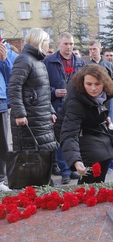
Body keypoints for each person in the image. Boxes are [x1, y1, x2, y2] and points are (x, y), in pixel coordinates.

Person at [8, 29, 59, 186]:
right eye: (46, 42)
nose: (48, 45)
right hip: (29, 119)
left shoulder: (37, 61)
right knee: (30, 158)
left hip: (41, 117)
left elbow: (42, 91)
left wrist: (51, 111)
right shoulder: (24, 60)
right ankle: (32, 189)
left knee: (43, 155)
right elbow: (14, 87)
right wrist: (19, 114)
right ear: (40, 42)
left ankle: (43, 185)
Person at [55, 65, 113, 184]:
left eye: (97, 84)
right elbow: (69, 133)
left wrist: (105, 119)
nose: (93, 88)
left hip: (92, 130)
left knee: (107, 153)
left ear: (104, 83)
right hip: (73, 133)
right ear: (82, 83)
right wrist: (75, 160)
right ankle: (85, 190)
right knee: (95, 155)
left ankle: (99, 186)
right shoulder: (76, 103)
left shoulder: (104, 95)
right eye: (89, 84)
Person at [44, 32, 85, 184]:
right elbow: (42, 86)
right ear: (59, 44)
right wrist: (54, 92)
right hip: (56, 105)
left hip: (74, 105)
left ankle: (72, 167)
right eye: (66, 44)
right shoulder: (49, 62)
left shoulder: (80, 62)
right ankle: (65, 171)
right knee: (60, 138)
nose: (69, 47)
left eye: (71, 44)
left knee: (72, 137)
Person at [0, 38, 17, 192]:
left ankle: (0, 179)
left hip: (0, 101)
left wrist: (4, 60)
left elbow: (10, 77)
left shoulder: (4, 51)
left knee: (2, 142)